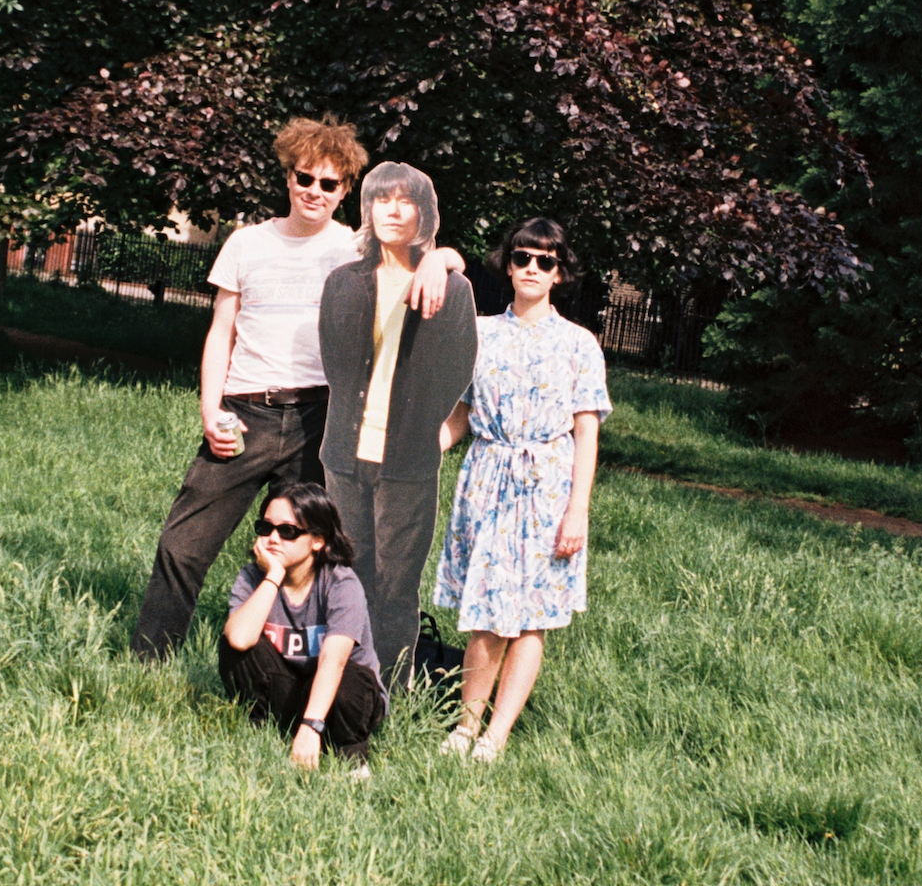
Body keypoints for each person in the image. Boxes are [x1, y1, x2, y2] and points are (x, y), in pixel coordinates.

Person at [129, 117, 462, 660]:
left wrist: (440, 262)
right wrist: (210, 411)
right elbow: (221, 332)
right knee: (183, 543)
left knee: (312, 556)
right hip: (244, 415)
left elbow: (438, 258)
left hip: (321, 420)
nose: (314, 192)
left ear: (345, 191)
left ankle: (297, 664)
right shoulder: (247, 243)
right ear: (287, 177)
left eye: (329, 184)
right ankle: (148, 661)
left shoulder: (358, 250)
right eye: (304, 178)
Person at [432, 216, 611, 761]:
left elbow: (586, 432)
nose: (532, 268)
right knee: (487, 613)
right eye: (522, 257)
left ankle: (497, 734)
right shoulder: (479, 333)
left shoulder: (579, 344)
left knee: (533, 617)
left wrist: (577, 511)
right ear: (507, 265)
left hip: (548, 490)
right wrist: (419, 451)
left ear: (559, 272)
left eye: (544, 261)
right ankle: (465, 727)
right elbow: (460, 417)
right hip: (487, 481)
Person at [317, 162, 477, 694]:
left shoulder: (451, 289)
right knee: (346, 576)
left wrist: (422, 428)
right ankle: (342, 682)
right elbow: (336, 364)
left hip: (407, 464)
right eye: (381, 199)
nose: (392, 210)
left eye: (405, 201)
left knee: (394, 589)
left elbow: (457, 369)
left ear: (423, 215)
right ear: (367, 209)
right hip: (344, 457)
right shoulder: (343, 283)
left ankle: (387, 693)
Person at [218, 484, 386, 771]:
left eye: (287, 531)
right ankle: (262, 737)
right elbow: (239, 639)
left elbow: (334, 662)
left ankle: (351, 756)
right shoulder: (253, 577)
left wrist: (311, 725)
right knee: (236, 647)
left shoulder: (341, 584)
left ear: (317, 540)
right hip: (292, 691)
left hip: (342, 699)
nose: (273, 538)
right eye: (265, 528)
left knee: (349, 682)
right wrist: (273, 576)